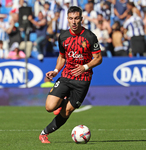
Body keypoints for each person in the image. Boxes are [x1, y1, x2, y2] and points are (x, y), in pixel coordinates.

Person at [39, 6, 102, 144]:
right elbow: (62, 57)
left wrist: (85, 67)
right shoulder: (63, 36)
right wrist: (55, 71)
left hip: (83, 80)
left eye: (76, 19)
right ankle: (63, 99)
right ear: (67, 19)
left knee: (66, 112)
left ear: (81, 19)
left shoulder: (90, 37)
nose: (74, 22)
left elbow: (98, 58)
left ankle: (44, 133)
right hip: (66, 76)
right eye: (71, 19)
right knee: (49, 107)